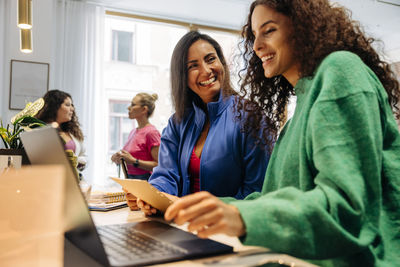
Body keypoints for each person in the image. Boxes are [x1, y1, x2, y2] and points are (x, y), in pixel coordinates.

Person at [163, 1, 400, 266]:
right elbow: (269, 198)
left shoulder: (341, 71)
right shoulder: (301, 108)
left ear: (304, 26)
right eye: (254, 36)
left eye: (269, 30)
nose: (256, 46)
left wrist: (241, 217)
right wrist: (208, 209)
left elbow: (346, 210)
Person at [130, 31, 270, 213]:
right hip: (183, 227)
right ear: (182, 77)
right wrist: (153, 196)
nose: (206, 71)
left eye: (211, 59)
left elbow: (258, 190)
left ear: (221, 63)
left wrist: (210, 213)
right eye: (193, 66)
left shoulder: (252, 116)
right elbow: (166, 174)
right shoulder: (177, 122)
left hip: (229, 229)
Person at [111, 93, 161, 180]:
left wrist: (134, 161)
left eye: (133, 105)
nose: (128, 108)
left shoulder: (152, 133)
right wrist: (119, 159)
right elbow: (130, 161)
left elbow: (159, 166)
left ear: (144, 109)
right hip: (131, 182)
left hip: (146, 184)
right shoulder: (133, 132)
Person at [36, 89, 87, 172]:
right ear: (54, 107)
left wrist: (77, 161)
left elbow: (84, 157)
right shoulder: (38, 131)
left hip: (72, 180)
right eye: (67, 105)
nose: (72, 109)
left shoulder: (73, 132)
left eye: (72, 105)